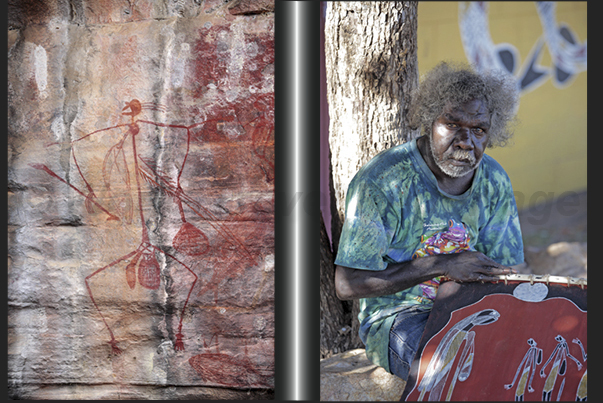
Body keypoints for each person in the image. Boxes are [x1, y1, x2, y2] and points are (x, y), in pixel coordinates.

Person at [334, 61, 525, 381]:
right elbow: (346, 283)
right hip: (398, 318)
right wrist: (441, 264)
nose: (466, 141)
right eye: (452, 125)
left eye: (478, 130)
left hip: (471, 310)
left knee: (535, 356)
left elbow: (506, 269)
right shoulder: (384, 180)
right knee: (454, 369)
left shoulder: (494, 180)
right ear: (429, 121)